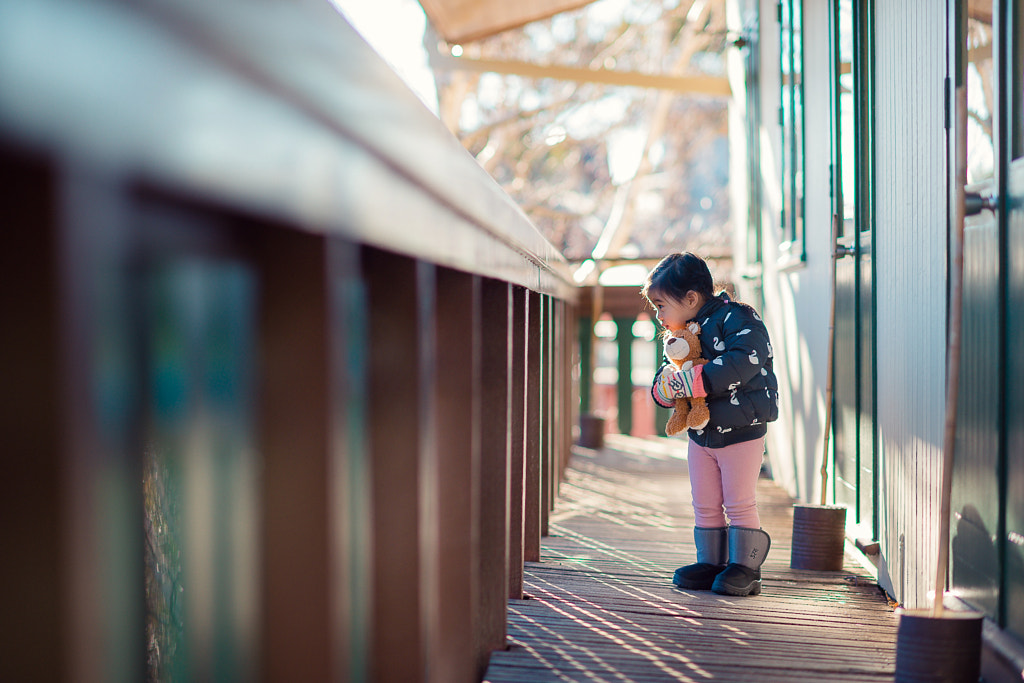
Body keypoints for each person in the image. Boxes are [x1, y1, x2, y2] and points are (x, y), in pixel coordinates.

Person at [642, 252, 779, 597]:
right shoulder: (681, 333)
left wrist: (694, 382)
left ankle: (746, 567)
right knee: (704, 500)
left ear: (690, 298)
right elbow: (670, 370)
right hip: (701, 433)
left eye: (661, 305)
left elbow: (745, 359)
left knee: (738, 501)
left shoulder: (739, 317)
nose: (659, 316)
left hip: (741, 428)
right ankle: (711, 562)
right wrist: (665, 389)